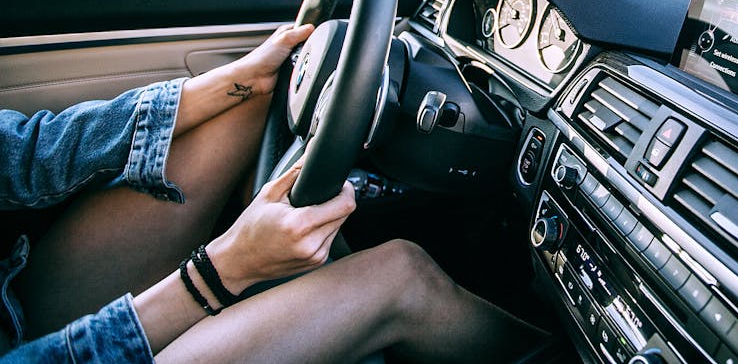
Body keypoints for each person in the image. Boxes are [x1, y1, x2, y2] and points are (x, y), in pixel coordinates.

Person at [0, 25, 543, 363]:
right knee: (400, 273)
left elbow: (25, 155)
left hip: (16, 306)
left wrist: (230, 83)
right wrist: (221, 272)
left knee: (242, 106)